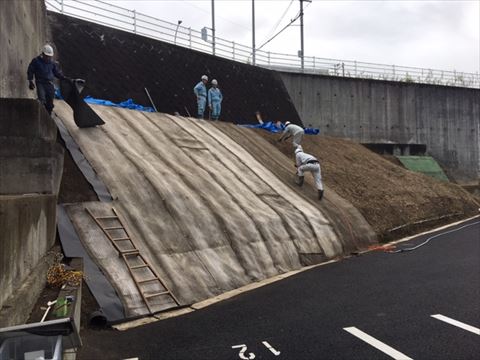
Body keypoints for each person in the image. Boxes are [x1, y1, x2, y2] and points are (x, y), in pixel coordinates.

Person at [27, 44, 68, 115]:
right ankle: (40, 116)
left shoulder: (52, 63)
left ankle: (48, 116)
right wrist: (30, 81)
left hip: (49, 84)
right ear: (43, 54)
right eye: (47, 56)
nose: (48, 58)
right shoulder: (36, 61)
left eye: (50, 57)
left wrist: (63, 78)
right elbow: (30, 70)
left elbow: (56, 72)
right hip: (40, 82)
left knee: (50, 103)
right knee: (42, 99)